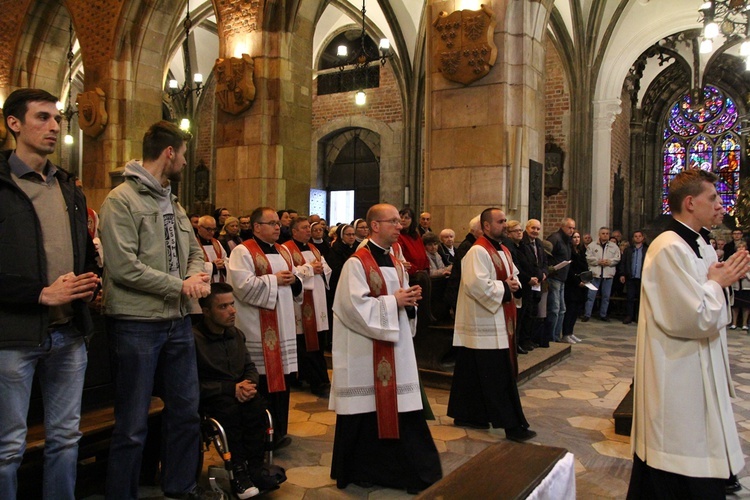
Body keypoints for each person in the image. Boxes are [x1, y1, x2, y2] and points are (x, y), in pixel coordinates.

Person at [99, 121, 214, 499]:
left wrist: (197, 272)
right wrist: (180, 285)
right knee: (132, 424)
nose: (184, 160)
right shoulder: (121, 200)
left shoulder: (173, 201)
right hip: (137, 324)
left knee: (185, 413)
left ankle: (180, 489)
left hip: (177, 322)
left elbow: (194, 249)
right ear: (170, 152)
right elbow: (123, 267)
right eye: (182, 153)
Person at [0, 88, 100, 500]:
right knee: (7, 448)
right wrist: (39, 294)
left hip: (69, 333)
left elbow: (82, 249)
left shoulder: (67, 186)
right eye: (42, 117)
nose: (55, 127)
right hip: (15, 334)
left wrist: (90, 279)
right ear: (14, 124)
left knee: (65, 439)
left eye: (57, 119)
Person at [628, 169, 749, 499]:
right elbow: (688, 317)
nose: (721, 205)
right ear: (690, 202)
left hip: (699, 364)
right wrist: (717, 283)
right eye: (713, 198)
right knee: (678, 455)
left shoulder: (701, 245)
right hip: (677, 369)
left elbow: (713, 309)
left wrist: (717, 282)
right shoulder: (669, 248)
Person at [329, 203, 442, 493]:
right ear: (375, 226)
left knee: (401, 407)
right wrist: (395, 302)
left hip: (396, 347)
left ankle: (404, 471)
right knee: (368, 411)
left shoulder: (393, 257)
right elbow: (351, 306)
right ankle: (363, 469)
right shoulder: (357, 263)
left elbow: (396, 298)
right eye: (392, 221)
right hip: (366, 352)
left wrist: (410, 301)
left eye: (399, 221)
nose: (400, 226)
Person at [447, 208, 536, 441]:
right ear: (486, 226)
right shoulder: (478, 251)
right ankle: (512, 425)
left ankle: (468, 414)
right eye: (500, 221)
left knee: (472, 373)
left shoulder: (504, 249)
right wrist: (506, 287)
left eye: (505, 220)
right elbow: (476, 285)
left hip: (497, 318)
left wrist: (513, 283)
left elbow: (513, 275)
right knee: (497, 377)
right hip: (484, 323)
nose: (504, 225)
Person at [193, 283, 286, 498]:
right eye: (223, 307)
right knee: (230, 412)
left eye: (232, 304)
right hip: (214, 397)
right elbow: (192, 383)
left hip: (240, 393)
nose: (232, 311)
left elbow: (249, 367)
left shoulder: (236, 334)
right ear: (206, 312)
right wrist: (230, 388)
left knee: (257, 406)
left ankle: (255, 467)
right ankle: (239, 473)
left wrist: (249, 385)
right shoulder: (193, 339)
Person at [226, 207, 302, 450]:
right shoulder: (242, 251)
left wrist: (294, 281)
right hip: (257, 328)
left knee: (282, 380)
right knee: (261, 381)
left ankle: (279, 430)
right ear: (256, 227)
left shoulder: (282, 250)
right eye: (271, 223)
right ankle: (260, 434)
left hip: (284, 326)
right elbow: (242, 286)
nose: (278, 227)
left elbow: (295, 281)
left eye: (278, 224)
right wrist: (275, 280)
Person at [282, 217, 332, 397]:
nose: (308, 231)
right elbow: (290, 273)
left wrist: (321, 269)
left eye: (308, 228)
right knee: (304, 342)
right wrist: (310, 269)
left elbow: (327, 268)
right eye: (303, 228)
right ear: (294, 231)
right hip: (300, 302)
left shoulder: (313, 248)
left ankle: (312, 378)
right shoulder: (286, 249)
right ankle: (315, 381)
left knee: (317, 341)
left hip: (317, 300)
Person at [545, 218, 576, 342]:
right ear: (562, 226)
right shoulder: (555, 238)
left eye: (573, 228)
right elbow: (546, 256)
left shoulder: (567, 241)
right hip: (554, 278)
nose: (572, 230)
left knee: (562, 309)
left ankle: (557, 336)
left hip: (562, 278)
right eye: (569, 227)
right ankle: (551, 337)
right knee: (554, 309)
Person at [583, 227, 621, 322]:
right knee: (591, 296)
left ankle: (603, 314)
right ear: (599, 235)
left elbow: (617, 258)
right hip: (595, 273)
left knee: (606, 296)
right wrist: (598, 261)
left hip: (608, 274)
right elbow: (588, 257)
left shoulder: (614, 246)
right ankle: (587, 314)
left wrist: (608, 261)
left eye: (607, 233)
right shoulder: (592, 245)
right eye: (603, 233)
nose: (605, 235)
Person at [562, 231, 588, 343]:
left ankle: (571, 332)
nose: (576, 239)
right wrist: (577, 281)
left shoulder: (581, 251)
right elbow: (570, 269)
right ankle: (566, 333)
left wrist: (586, 279)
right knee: (570, 309)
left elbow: (584, 266)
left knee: (576, 310)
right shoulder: (570, 252)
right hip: (572, 284)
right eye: (574, 237)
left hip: (581, 284)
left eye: (578, 237)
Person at [619, 230, 647, 325]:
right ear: (633, 238)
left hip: (642, 277)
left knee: (641, 298)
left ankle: (639, 316)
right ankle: (629, 316)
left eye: (639, 236)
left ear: (643, 238)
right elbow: (623, 262)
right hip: (631, 277)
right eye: (636, 236)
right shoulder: (629, 250)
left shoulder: (647, 250)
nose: (638, 238)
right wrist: (622, 274)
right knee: (630, 297)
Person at [397, 208, 429, 277]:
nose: (403, 220)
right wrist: (414, 269)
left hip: (421, 272)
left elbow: (423, 253)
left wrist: (426, 268)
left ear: (412, 220)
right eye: (401, 217)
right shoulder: (398, 236)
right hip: (409, 273)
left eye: (406, 218)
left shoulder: (416, 236)